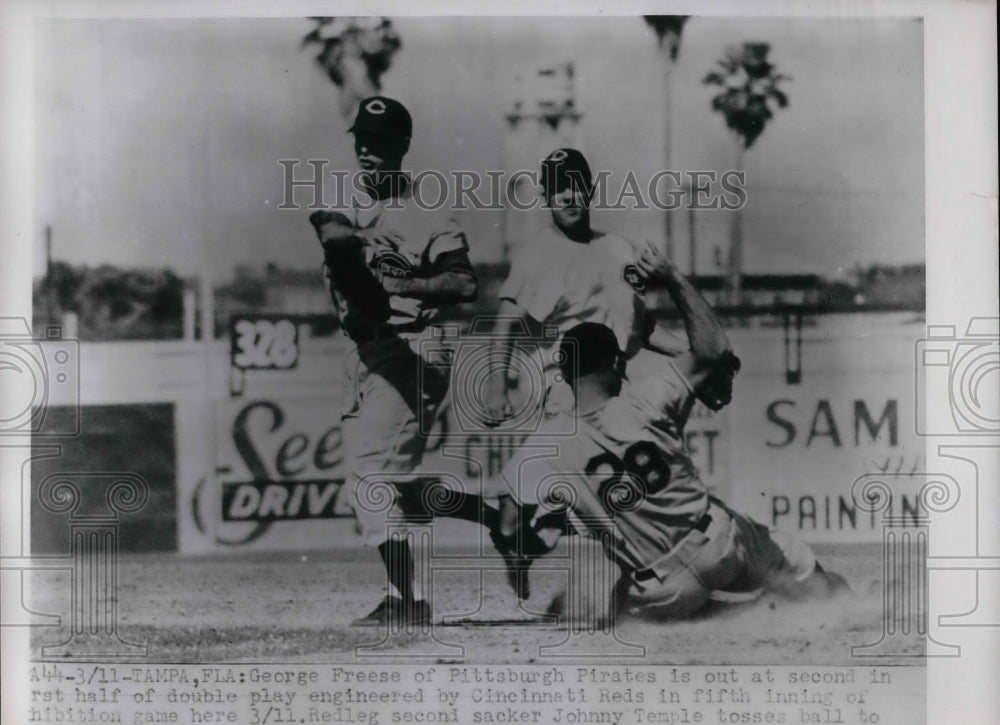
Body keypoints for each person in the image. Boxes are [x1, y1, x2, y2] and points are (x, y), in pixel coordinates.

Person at [492, 247, 848, 621]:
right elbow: (715, 350)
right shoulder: (648, 395)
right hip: (718, 545)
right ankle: (844, 605)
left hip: (660, 587)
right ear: (616, 362)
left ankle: (740, 615)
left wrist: (519, 556)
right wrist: (673, 277)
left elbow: (508, 524)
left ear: (563, 372)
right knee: (797, 562)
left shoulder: (543, 446)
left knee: (612, 610)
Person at [310, 96, 478, 627]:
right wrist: (361, 274)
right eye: (361, 138)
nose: (367, 149)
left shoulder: (429, 211)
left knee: (369, 474)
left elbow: (464, 282)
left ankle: (408, 602)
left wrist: (398, 283)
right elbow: (335, 239)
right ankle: (495, 521)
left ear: (403, 146)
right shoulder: (338, 196)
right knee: (388, 478)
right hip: (366, 348)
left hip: (415, 344)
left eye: (379, 141)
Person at [482, 147, 685, 430]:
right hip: (565, 392)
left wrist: (687, 352)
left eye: (575, 185)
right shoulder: (538, 254)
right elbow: (505, 324)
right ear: (545, 197)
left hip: (617, 388)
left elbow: (636, 323)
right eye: (558, 188)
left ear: (590, 189)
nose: (568, 196)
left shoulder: (618, 249)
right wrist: (496, 391)